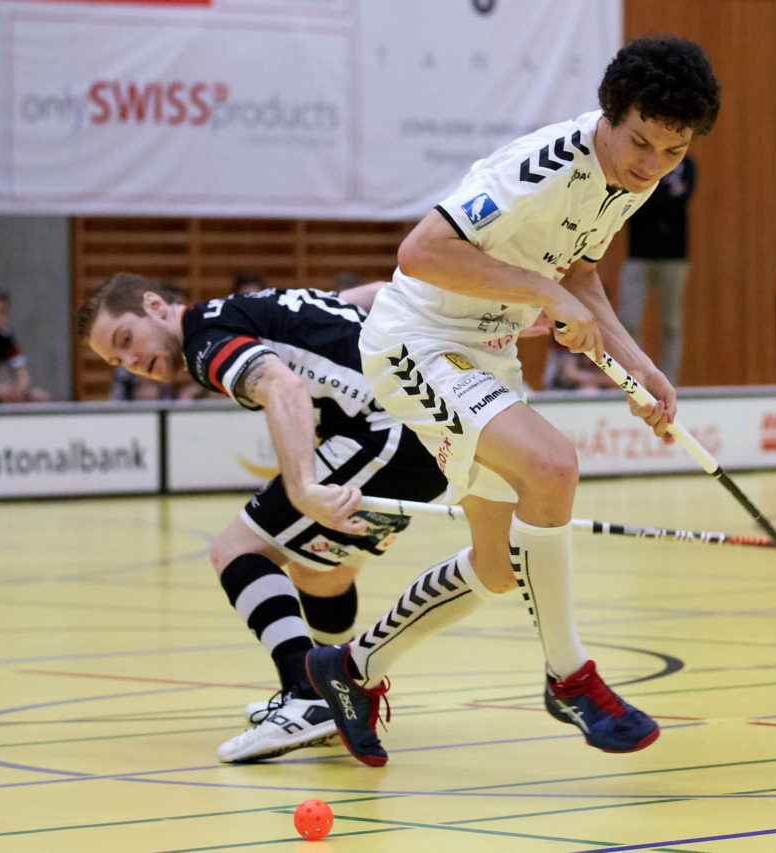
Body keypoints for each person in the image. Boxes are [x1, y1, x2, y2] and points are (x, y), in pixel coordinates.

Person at [304, 35, 721, 767]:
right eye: (641, 142)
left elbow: (581, 275)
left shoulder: (636, 179)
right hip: (418, 341)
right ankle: (570, 677)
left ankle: (350, 668)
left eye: (673, 152)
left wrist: (638, 365)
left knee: (497, 567)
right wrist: (545, 294)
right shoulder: (544, 167)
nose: (651, 164)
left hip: (487, 349)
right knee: (553, 466)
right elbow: (420, 252)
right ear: (610, 116)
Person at [76, 273, 448, 762]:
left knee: (235, 551)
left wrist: (302, 487)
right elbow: (374, 292)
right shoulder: (249, 308)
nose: (129, 362)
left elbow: (281, 385)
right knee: (320, 574)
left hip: (388, 433)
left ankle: (310, 696)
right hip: (427, 430)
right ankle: (341, 690)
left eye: (126, 340)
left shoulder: (204, 340)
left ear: (155, 305)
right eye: (114, 360)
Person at [616, 156, 695, 382]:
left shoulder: (686, 166)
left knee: (672, 324)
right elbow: (631, 199)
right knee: (628, 319)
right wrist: (663, 198)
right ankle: (638, 379)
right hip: (638, 253)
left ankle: (668, 382)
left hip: (674, 256)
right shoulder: (638, 161)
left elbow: (681, 200)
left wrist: (649, 199)